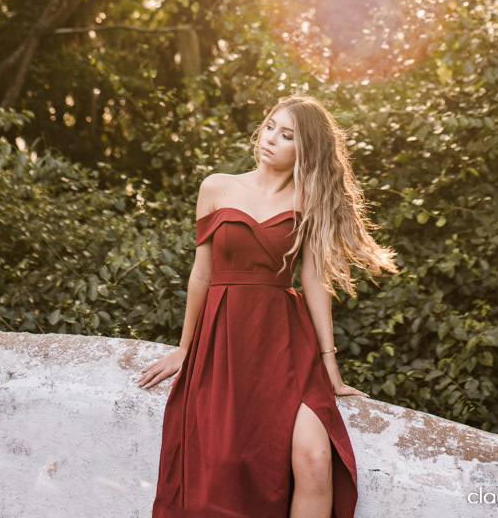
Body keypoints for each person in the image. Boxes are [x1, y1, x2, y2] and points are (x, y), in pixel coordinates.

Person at [138, 94, 399, 518]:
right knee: (225, 464)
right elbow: (201, 274)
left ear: (306, 148)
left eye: (287, 135)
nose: (270, 139)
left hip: (284, 342)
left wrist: (329, 363)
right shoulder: (217, 186)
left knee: (316, 463)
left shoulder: (309, 201)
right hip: (223, 336)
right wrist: (184, 348)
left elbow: (313, 281)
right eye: (270, 127)